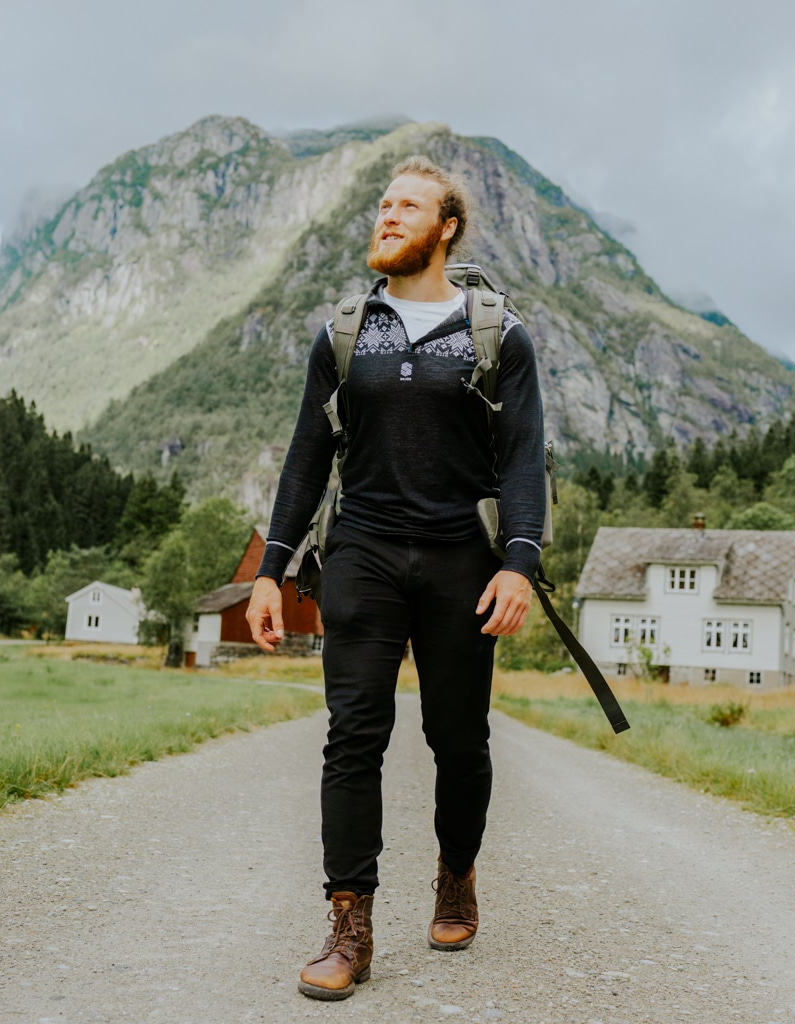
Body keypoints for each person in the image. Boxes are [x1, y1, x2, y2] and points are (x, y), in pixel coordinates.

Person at [246, 155, 546, 1001]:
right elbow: (307, 459)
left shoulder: (499, 335)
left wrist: (519, 561)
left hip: (462, 560)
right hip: (364, 553)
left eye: (406, 205)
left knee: (459, 740)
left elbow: (523, 458)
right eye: (381, 204)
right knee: (353, 737)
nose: (386, 215)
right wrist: (271, 570)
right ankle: (351, 925)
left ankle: (456, 871)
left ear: (446, 226)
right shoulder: (344, 332)